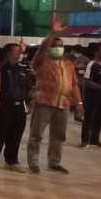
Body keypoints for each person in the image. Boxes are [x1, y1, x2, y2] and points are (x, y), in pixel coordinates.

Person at [27, 19, 83, 174]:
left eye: (60, 46)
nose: (58, 48)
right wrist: (52, 33)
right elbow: (41, 49)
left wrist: (79, 103)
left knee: (59, 136)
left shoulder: (68, 64)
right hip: (44, 102)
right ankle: (33, 162)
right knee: (36, 135)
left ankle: (54, 162)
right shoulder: (41, 61)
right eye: (55, 46)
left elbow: (74, 85)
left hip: (63, 104)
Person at [0, 43, 32, 172]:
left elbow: (27, 86)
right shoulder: (0, 68)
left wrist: (28, 101)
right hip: (3, 106)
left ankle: (11, 161)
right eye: (16, 51)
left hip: (19, 106)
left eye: (20, 52)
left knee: (16, 134)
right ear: (8, 53)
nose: (19, 54)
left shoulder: (22, 69)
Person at [80, 44, 101, 148]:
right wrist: (100, 87)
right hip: (92, 96)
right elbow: (86, 81)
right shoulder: (92, 64)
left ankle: (94, 139)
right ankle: (85, 140)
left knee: (100, 118)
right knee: (89, 118)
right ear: (97, 52)